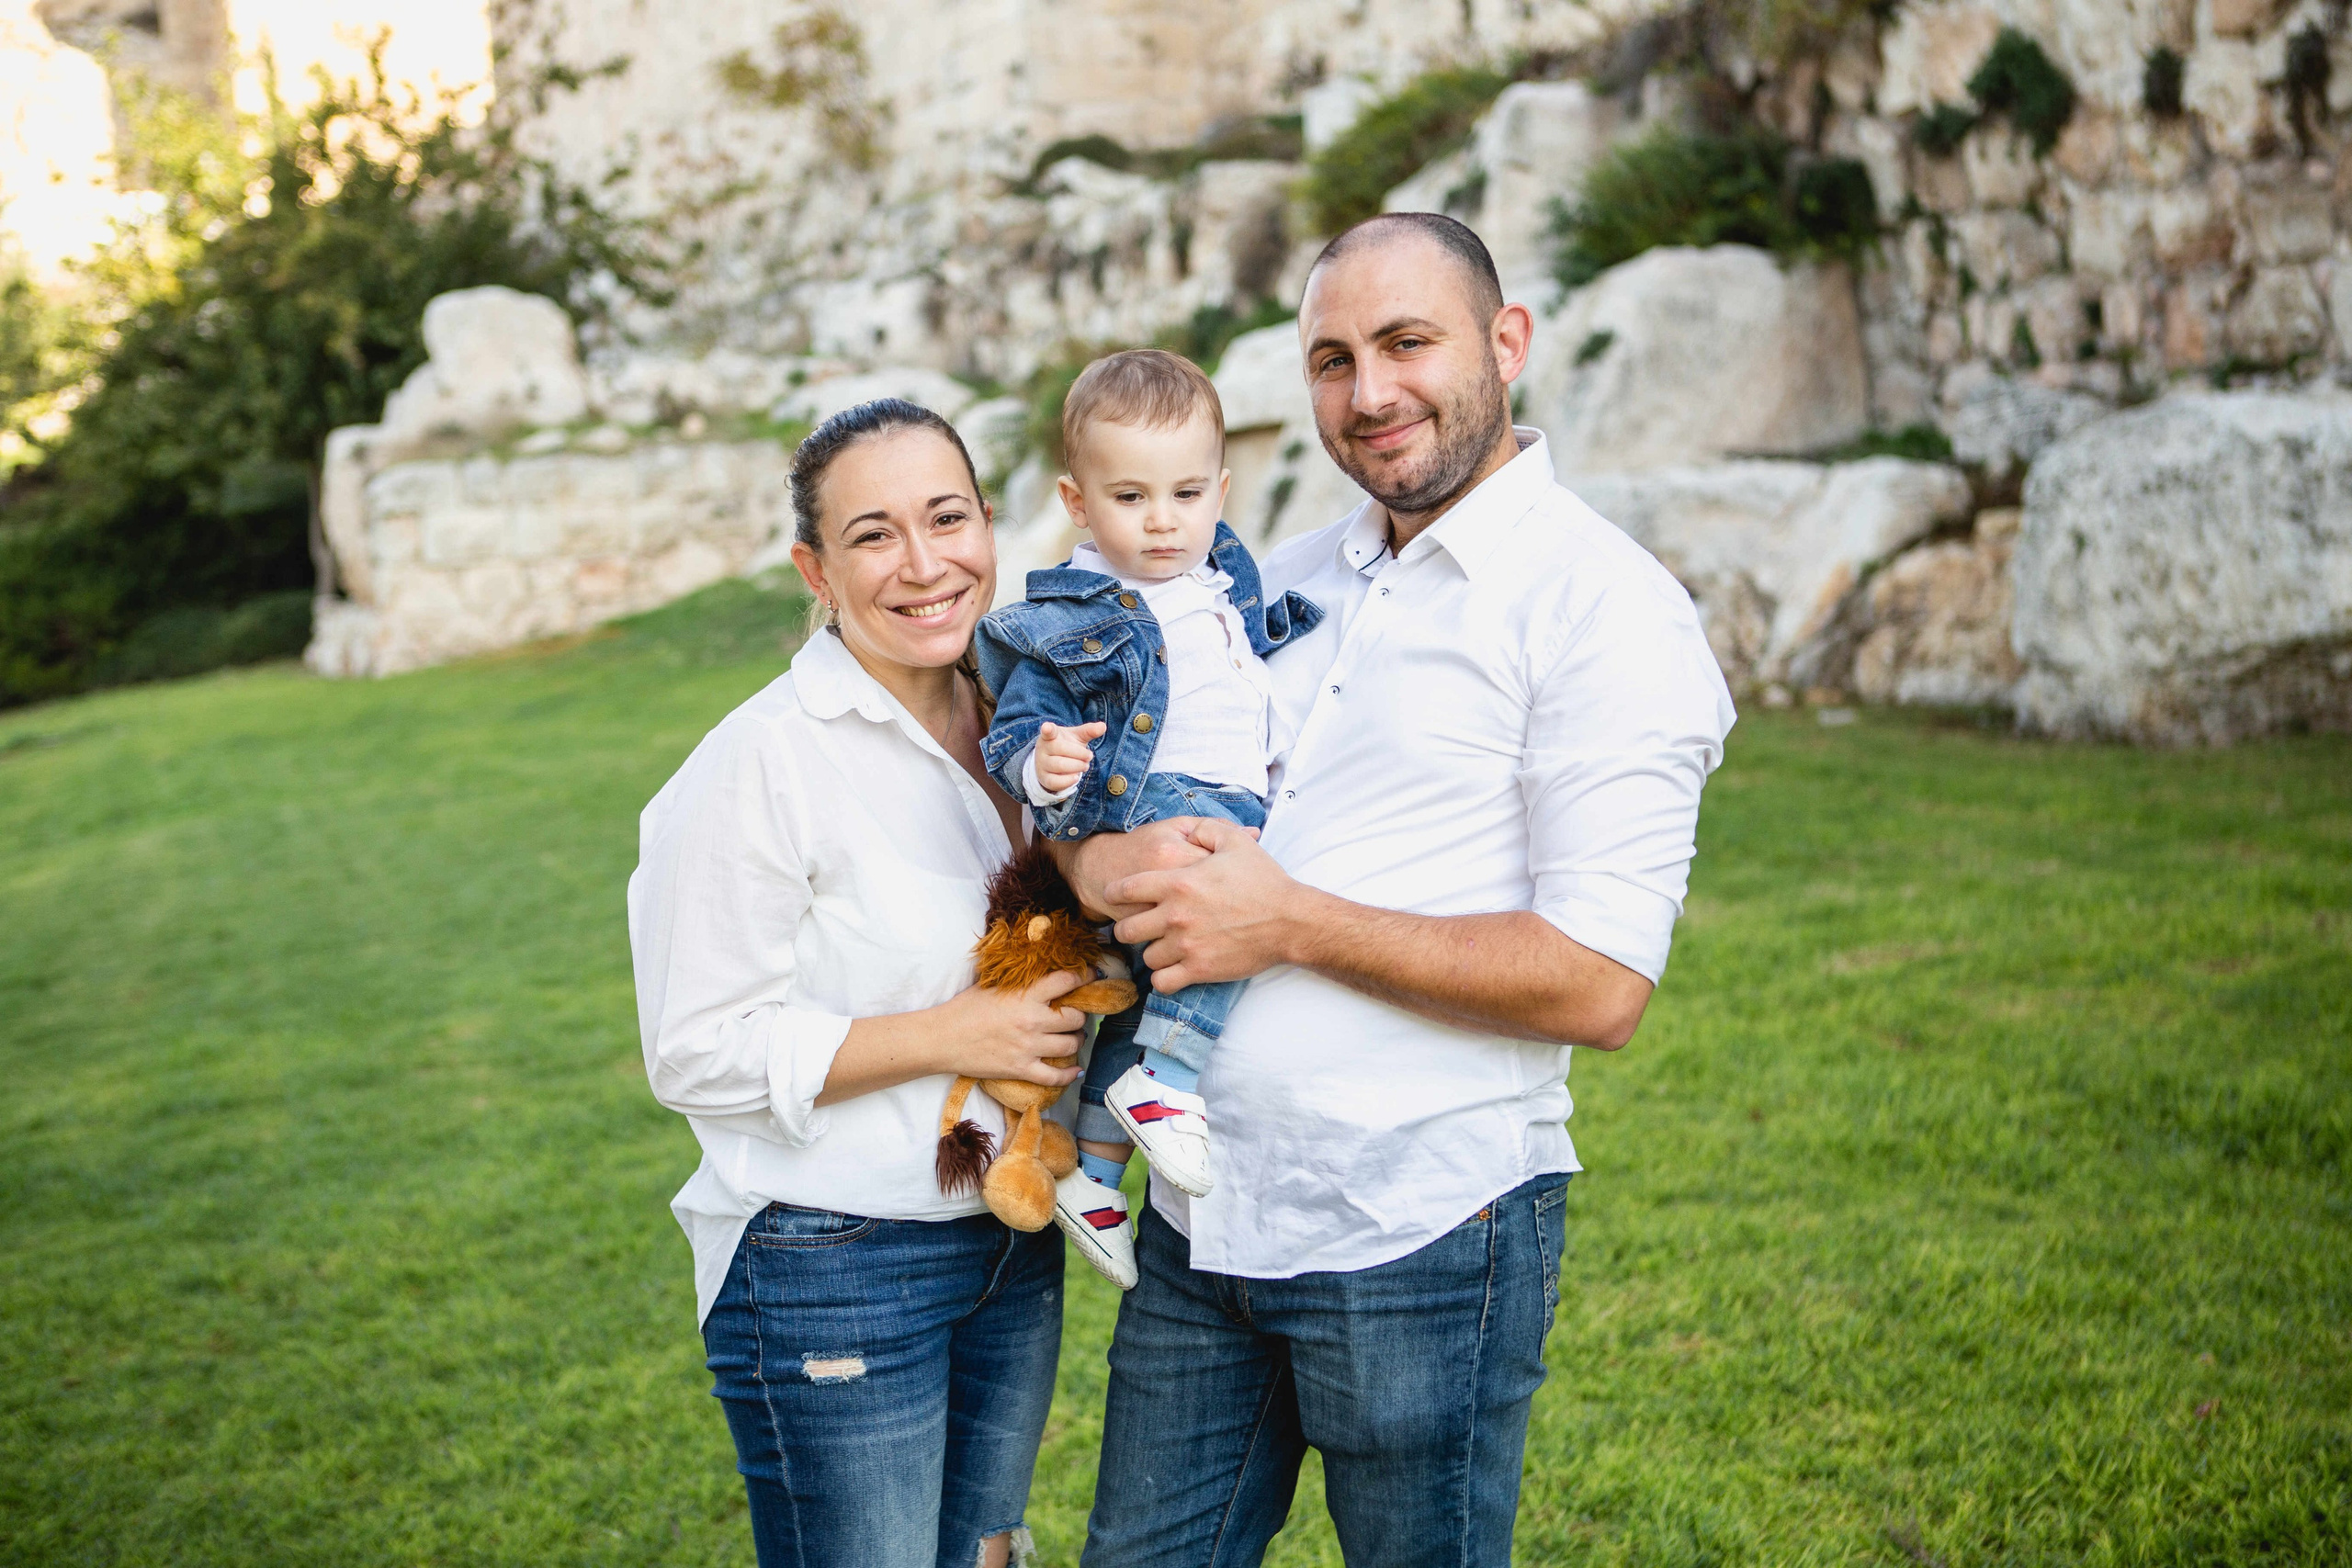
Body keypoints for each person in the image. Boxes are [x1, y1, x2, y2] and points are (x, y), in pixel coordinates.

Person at [1066, 213, 1739, 1566]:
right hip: (1203, 1221)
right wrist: (1094, 857)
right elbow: (1125, 790)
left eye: (1405, 343)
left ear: (1507, 343)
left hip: (1422, 1232)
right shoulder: (1274, 577)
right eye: (1330, 357)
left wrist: (1291, 921)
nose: (1368, 392)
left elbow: (1600, 982)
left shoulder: (1608, 610)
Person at [628, 399, 1089, 1568]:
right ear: (815, 570)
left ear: (992, 524)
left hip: (1004, 1237)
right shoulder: (762, 761)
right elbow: (695, 1049)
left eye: (948, 518)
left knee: (986, 1557)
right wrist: (954, 1033)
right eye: (875, 535)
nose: (925, 565)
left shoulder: (1026, 724)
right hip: (832, 1258)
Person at [974, 348, 1322, 1290]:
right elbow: (1015, 727)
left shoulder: (1218, 580)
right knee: (1224, 940)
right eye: (1129, 498)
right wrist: (1041, 767)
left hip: (1225, 796)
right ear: (1078, 503)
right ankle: (1162, 1083)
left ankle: (1091, 1173)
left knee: (1157, 980)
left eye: (1186, 493)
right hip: (1165, 804)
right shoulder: (1076, 613)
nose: (1162, 521)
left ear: (1220, 487)